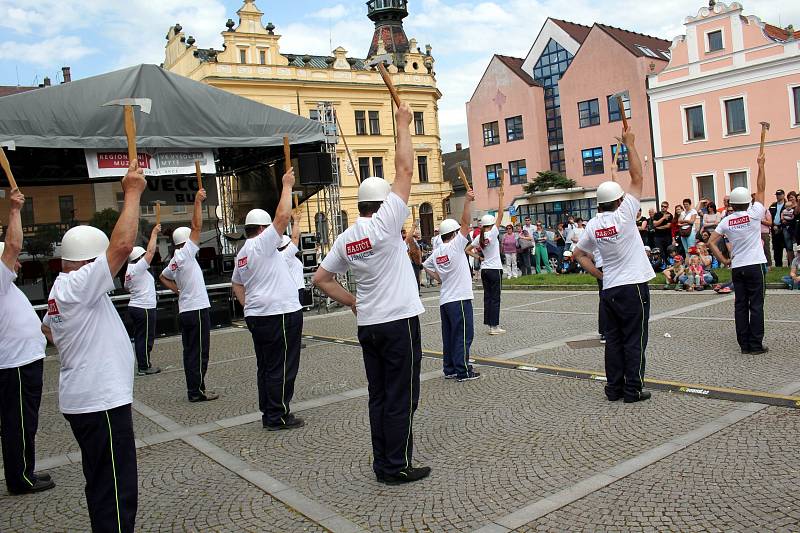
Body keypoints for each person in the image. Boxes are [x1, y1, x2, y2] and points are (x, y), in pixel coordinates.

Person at [313, 103, 430, 485]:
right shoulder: (385, 224)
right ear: (383, 204)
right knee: (401, 396)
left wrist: (352, 302)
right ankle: (397, 466)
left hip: (369, 325)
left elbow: (321, 279)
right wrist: (402, 124)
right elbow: (405, 169)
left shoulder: (348, 237)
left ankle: (384, 462)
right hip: (397, 323)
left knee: (379, 396)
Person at [42, 163, 145, 531]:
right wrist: (132, 191)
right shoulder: (77, 284)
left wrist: (80, 347)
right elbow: (121, 246)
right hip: (99, 402)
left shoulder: (61, 291)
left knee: (103, 483)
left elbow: (48, 330)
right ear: (88, 262)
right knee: (116, 489)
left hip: (87, 398)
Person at [573, 126, 654, 403]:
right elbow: (638, 175)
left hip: (610, 289)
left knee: (615, 341)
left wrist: (597, 272)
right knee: (634, 340)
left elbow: (578, 253)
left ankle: (614, 389)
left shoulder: (594, 224)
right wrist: (631, 144)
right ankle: (633, 390)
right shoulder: (625, 215)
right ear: (619, 201)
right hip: (632, 287)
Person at [231, 171, 305, 431]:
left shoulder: (243, 252)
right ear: (262, 229)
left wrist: (248, 306)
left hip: (258, 314)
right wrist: (286, 186)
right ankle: (278, 415)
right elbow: (283, 217)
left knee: (266, 367)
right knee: (282, 367)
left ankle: (269, 412)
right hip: (279, 314)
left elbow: (237, 284)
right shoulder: (261, 244)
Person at [1, 189, 55, 495]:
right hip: (17, 365)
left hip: (21, 362)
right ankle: (21, 477)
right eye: (13, 261)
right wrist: (15, 209)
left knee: (22, 421)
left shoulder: (6, 287)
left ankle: (24, 470)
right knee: (19, 423)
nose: (18, 264)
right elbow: (13, 245)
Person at [160, 189, 218, 402]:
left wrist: (178, 290)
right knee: (200, 352)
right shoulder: (185, 254)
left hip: (187, 309)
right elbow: (197, 226)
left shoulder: (175, 259)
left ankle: (195, 388)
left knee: (191, 351)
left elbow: (163, 276)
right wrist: (197, 202)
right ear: (186, 242)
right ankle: (197, 391)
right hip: (196, 309)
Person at [708, 152, 769, 355]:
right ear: (747, 202)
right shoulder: (754, 214)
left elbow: (710, 242)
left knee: (741, 306)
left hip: (738, 266)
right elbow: (761, 189)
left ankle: (744, 345)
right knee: (757, 305)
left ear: (732, 204)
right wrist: (760, 166)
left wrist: (724, 259)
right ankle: (756, 344)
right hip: (755, 264)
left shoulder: (726, 221)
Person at [422, 190, 479, 382]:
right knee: (464, 335)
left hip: (445, 300)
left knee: (449, 336)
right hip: (460, 299)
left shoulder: (438, 252)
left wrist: (439, 278)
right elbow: (465, 223)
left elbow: (425, 265)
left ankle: (450, 369)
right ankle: (463, 371)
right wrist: (467, 202)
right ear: (454, 234)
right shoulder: (455, 246)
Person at [466, 186, 505, 336]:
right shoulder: (492, 233)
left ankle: (490, 324)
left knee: (487, 298)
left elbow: (467, 250)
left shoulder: (479, 236)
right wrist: (501, 196)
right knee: (495, 298)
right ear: (491, 224)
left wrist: (480, 257)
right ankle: (494, 326)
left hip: (485, 270)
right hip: (494, 269)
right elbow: (501, 214)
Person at [124, 224, 162, 376]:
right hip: (144, 307)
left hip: (136, 306)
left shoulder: (129, 271)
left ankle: (143, 364)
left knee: (141, 337)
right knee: (145, 338)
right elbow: (151, 252)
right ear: (139, 258)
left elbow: (127, 288)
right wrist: (154, 233)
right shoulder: (138, 268)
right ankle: (144, 366)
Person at [769, 189, 787, 267]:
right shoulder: (773, 205)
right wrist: (773, 226)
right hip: (774, 228)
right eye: (777, 195)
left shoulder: (787, 205)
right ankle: (778, 265)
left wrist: (780, 226)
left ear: (783, 195)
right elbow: (769, 216)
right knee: (776, 248)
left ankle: (789, 264)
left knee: (787, 246)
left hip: (783, 228)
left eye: (779, 194)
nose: (778, 196)